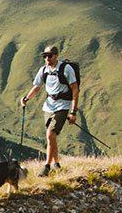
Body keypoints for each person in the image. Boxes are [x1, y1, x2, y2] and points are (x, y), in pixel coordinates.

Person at [17, 45, 79, 176]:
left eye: (49, 56)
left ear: (56, 56)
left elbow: (75, 89)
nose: (47, 58)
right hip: (48, 106)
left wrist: (73, 112)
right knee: (52, 137)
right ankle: (57, 164)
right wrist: (26, 98)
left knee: (50, 135)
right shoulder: (43, 70)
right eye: (45, 56)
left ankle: (46, 167)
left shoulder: (66, 69)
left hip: (63, 106)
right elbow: (37, 87)